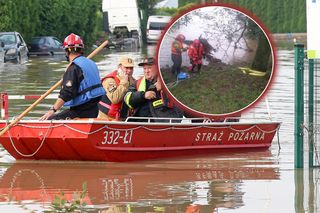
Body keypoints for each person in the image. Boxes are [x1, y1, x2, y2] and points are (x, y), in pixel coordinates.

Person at [40, 33, 105, 120]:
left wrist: (53, 110)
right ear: (81, 49)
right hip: (94, 110)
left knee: (49, 119)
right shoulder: (91, 63)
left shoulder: (74, 68)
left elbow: (66, 93)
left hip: (80, 112)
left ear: (67, 51)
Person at [124, 57, 182, 121]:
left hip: (164, 124)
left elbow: (181, 103)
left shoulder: (168, 81)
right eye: (145, 68)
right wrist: (143, 95)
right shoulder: (137, 83)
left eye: (149, 68)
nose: (146, 71)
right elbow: (127, 98)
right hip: (140, 123)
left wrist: (164, 88)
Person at [97, 56, 135, 120]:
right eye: (126, 68)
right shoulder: (110, 81)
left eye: (131, 68)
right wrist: (124, 83)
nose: (129, 70)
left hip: (124, 117)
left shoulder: (133, 81)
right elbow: (115, 99)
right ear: (120, 67)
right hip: (108, 119)